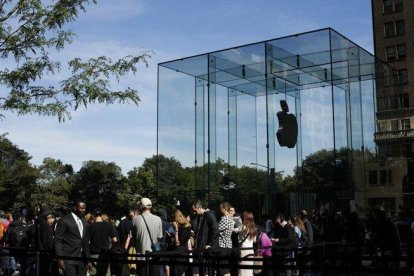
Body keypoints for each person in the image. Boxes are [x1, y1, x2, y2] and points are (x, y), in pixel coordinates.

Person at [54, 200, 91, 276]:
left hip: (82, 258)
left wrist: (88, 259)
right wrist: (60, 258)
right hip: (68, 258)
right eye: (81, 208)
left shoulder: (84, 221)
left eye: (85, 208)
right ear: (75, 208)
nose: (84, 210)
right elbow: (57, 240)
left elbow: (85, 241)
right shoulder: (64, 220)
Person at [132, 198, 163, 276]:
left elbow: (133, 238)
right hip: (154, 256)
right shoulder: (158, 219)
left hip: (141, 257)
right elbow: (159, 237)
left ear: (141, 206)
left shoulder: (135, 220)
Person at [85, 209, 118, 276]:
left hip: (93, 254)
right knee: (106, 273)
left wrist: (88, 258)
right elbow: (115, 240)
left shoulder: (89, 227)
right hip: (105, 254)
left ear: (93, 216)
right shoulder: (109, 225)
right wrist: (111, 249)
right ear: (101, 216)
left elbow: (86, 243)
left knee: (94, 274)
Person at [191, 200, 219, 276]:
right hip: (199, 249)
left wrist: (210, 243)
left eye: (195, 210)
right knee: (197, 272)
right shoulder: (200, 216)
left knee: (204, 272)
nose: (194, 212)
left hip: (205, 249)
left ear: (199, 207)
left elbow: (215, 229)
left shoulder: (209, 215)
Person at [172, 209, 192, 276]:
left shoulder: (179, 227)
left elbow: (177, 243)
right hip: (185, 251)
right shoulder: (188, 226)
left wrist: (176, 230)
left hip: (179, 251)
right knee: (183, 270)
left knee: (179, 271)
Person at [238, 211, 256, 276]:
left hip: (244, 250)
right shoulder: (254, 228)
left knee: (243, 271)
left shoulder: (243, 227)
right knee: (249, 270)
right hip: (251, 250)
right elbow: (254, 240)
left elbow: (234, 230)